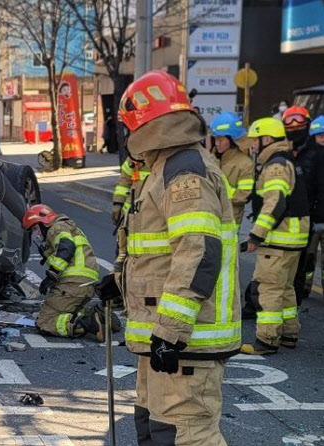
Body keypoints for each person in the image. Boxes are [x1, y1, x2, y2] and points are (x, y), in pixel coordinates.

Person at [117, 70, 240, 445]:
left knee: (187, 435)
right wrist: (119, 279)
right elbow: (159, 251)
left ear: (142, 125)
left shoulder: (183, 170)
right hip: (164, 336)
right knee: (156, 431)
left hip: (185, 341)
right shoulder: (164, 168)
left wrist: (171, 332)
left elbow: (198, 251)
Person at [240, 118, 309, 355]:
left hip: (278, 239)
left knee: (268, 289)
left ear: (266, 139)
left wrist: (256, 235)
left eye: (255, 140)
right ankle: (290, 334)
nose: (253, 146)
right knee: (286, 287)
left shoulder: (274, 165)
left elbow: (274, 203)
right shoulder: (288, 160)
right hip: (294, 238)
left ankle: (267, 340)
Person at [22, 204, 117, 341]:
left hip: (73, 284)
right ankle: (102, 317)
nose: (36, 234)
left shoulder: (57, 228)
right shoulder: (69, 228)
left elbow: (66, 247)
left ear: (45, 222)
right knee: (66, 312)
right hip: (84, 284)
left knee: (45, 321)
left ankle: (90, 322)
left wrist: (52, 274)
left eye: (36, 228)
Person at [282, 106, 316, 304]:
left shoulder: (316, 153)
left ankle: (299, 295)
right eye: (290, 123)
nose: (295, 127)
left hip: (310, 216)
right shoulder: (286, 153)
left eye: (299, 122)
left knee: (305, 259)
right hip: (287, 218)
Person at [209, 112, 255, 225]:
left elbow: (243, 195)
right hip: (209, 219)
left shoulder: (245, 164)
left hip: (230, 222)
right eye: (215, 139)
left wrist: (219, 189)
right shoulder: (210, 159)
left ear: (231, 140)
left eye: (220, 139)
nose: (217, 143)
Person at [302, 116, 324, 296]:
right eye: (320, 135)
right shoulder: (309, 157)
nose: (323, 138)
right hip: (313, 217)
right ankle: (305, 286)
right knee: (308, 256)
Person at [112, 156, 150, 226]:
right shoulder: (134, 155)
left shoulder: (168, 155)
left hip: (154, 217)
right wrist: (118, 204)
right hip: (130, 214)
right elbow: (123, 183)